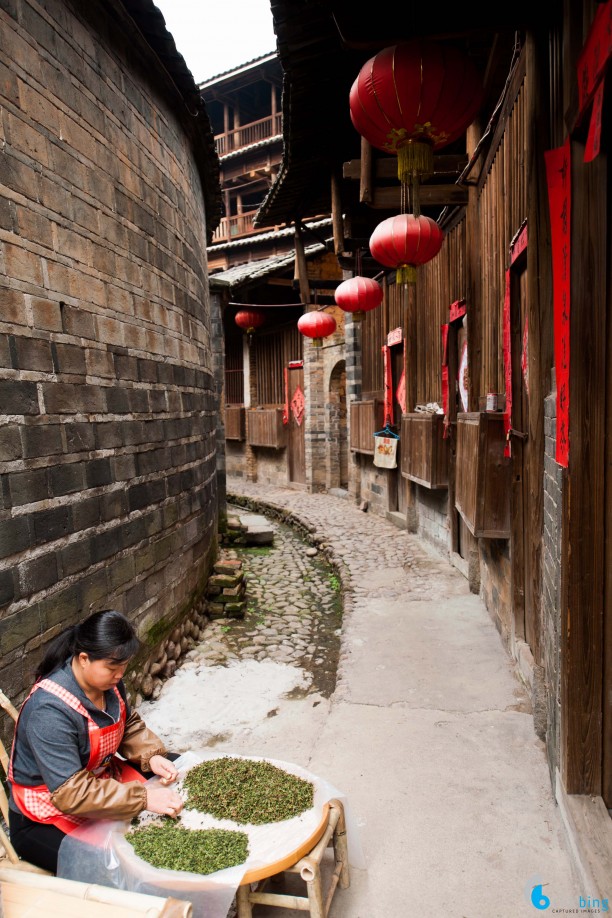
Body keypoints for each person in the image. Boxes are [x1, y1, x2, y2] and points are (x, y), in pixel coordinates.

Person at [8, 609, 184, 873]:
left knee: (179, 768)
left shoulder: (110, 685)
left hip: (98, 779)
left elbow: (127, 724)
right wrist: (143, 798)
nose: (119, 675)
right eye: (113, 668)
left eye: (123, 667)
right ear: (83, 659)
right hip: (48, 810)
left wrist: (151, 755)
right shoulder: (49, 710)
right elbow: (71, 793)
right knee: (114, 866)